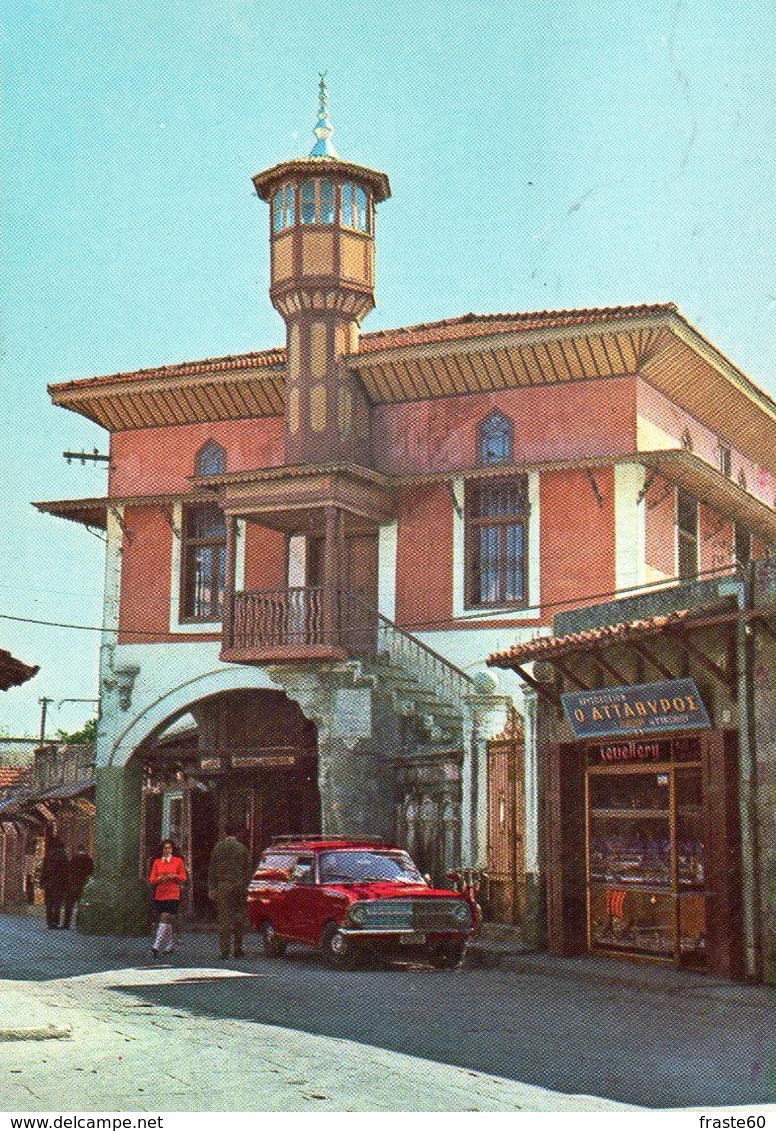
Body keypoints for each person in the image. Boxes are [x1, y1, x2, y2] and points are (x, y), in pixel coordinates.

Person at [208, 826, 253, 959]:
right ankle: (238, 949)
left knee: (224, 918)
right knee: (239, 916)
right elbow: (248, 870)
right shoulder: (242, 849)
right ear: (237, 834)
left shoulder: (218, 848)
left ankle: (224, 950)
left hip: (223, 885)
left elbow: (212, 869)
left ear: (225, 833)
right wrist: (247, 886)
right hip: (239, 885)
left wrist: (212, 887)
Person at [147, 839, 187, 958]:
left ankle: (156, 946)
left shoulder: (178, 861)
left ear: (172, 849)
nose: (167, 850)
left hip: (173, 893)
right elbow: (151, 879)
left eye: (169, 848)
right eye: (165, 848)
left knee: (165, 917)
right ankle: (170, 944)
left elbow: (183, 877)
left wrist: (174, 875)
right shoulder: (157, 862)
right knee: (166, 920)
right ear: (162, 850)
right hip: (160, 893)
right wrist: (160, 879)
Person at [39, 830, 70, 929]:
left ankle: (49, 922)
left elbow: (43, 870)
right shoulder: (63, 857)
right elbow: (66, 872)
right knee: (57, 904)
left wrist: (42, 882)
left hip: (49, 883)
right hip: (59, 884)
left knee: (49, 904)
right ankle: (56, 921)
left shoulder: (48, 857)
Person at [62, 844, 94, 929]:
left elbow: (68, 871)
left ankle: (66, 923)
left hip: (73, 884)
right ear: (85, 850)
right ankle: (79, 923)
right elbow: (90, 871)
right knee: (81, 905)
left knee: (69, 905)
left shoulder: (74, 859)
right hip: (83, 884)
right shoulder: (88, 859)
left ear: (77, 850)